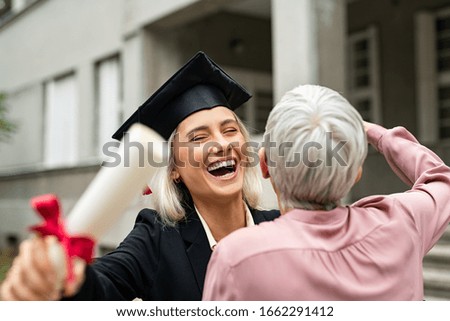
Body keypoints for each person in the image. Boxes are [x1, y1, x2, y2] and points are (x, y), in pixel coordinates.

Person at [0, 52, 279, 301]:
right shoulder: (157, 239)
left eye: (230, 130)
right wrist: (62, 278)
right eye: (198, 137)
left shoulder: (281, 228)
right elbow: (104, 284)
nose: (221, 144)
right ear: (174, 170)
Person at [202, 84, 450, 300]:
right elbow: (442, 180)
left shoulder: (237, 258)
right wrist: (371, 132)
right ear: (356, 172)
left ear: (264, 164)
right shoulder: (402, 224)